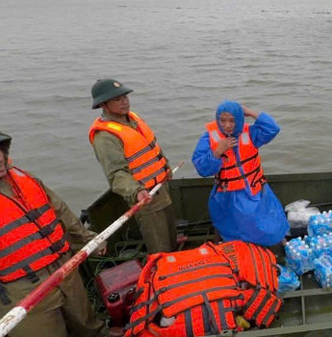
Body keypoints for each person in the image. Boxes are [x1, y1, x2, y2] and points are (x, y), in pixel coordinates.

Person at [0, 119, 110, 337]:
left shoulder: (20, 177)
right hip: (19, 289)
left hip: (63, 267)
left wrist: (86, 240)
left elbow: (59, 210)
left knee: (85, 319)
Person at [88, 78, 176, 253]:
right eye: (118, 99)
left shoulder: (132, 120)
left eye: (125, 97)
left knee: (172, 238)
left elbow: (151, 146)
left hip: (162, 189)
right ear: (104, 104)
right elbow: (116, 174)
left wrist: (165, 166)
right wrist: (137, 192)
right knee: (160, 249)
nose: (124, 102)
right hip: (145, 198)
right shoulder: (105, 137)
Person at [191, 101, 289, 246]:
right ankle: (233, 247)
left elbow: (272, 129)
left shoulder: (250, 133)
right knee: (232, 227)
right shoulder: (208, 138)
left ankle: (276, 242)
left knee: (269, 224)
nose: (227, 125)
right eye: (222, 121)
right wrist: (218, 151)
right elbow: (202, 169)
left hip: (255, 190)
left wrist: (251, 112)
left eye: (232, 120)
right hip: (227, 195)